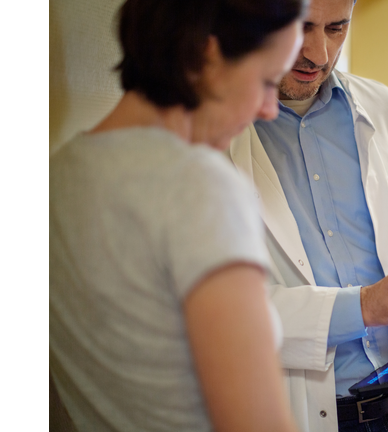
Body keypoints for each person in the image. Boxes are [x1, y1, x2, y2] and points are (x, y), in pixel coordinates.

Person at [228, 0, 388, 430]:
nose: (319, 54)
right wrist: (365, 305)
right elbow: (231, 309)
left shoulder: (386, 110)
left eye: (336, 28)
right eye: (302, 27)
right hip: (309, 411)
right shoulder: (222, 133)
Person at [49, 1, 305, 431]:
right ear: (208, 57)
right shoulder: (201, 187)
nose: (269, 109)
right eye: (267, 81)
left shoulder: (57, 177)